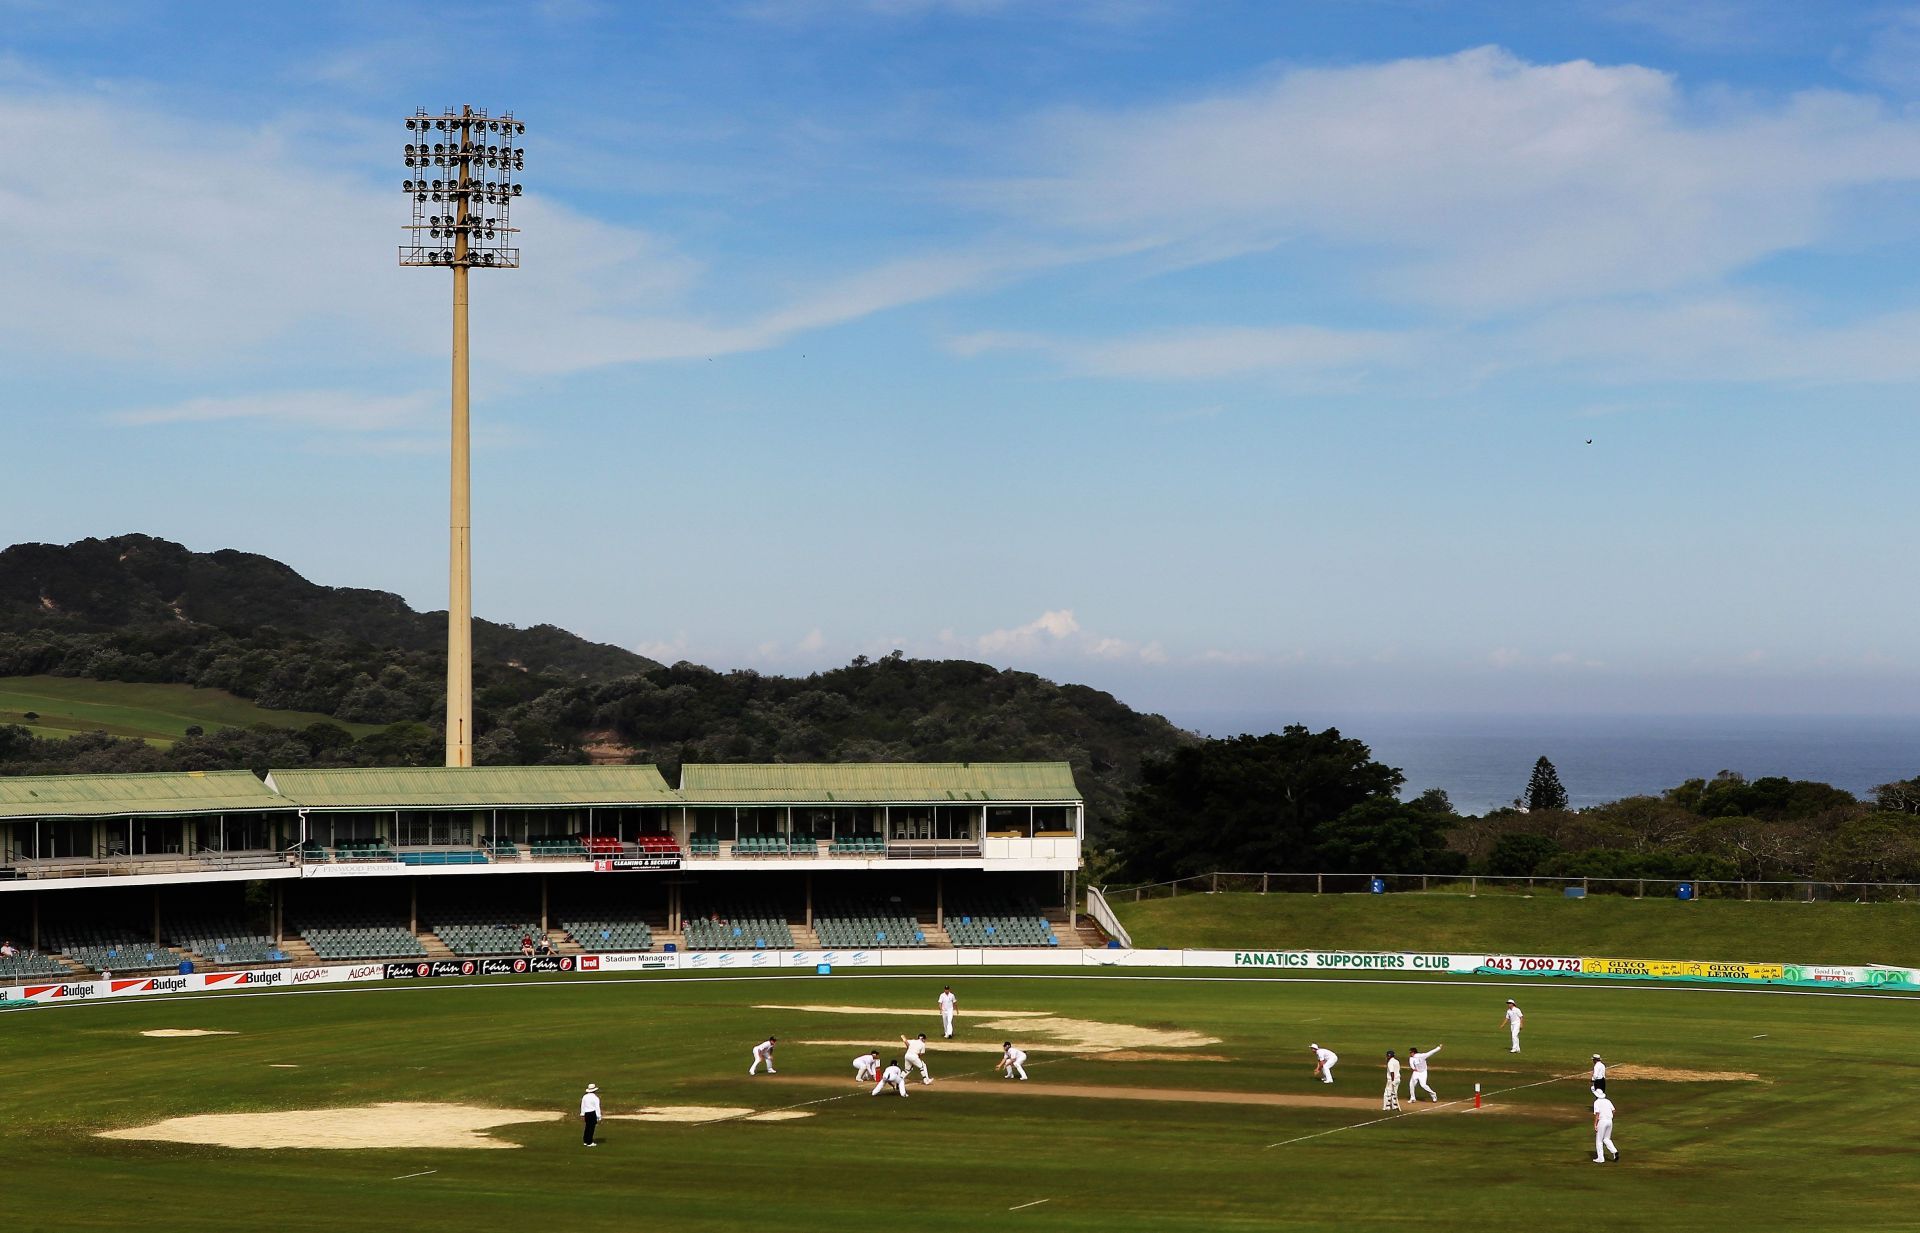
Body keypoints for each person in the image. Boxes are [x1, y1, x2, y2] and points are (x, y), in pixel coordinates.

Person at [1592, 1092, 1619, 1163]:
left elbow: (1597, 1113)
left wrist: (1595, 1124)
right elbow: (1614, 1110)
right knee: (1606, 1138)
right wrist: (1610, 1117)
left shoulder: (1596, 1102)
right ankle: (1614, 1151)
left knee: (1599, 1140)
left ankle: (1601, 1158)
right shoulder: (1608, 1101)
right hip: (1609, 1121)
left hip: (1602, 1121)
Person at [580, 1083, 602, 1147]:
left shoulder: (585, 1096)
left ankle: (586, 1141)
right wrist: (599, 1116)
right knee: (591, 1128)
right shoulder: (595, 1098)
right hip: (592, 1113)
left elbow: (582, 1105)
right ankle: (589, 1142)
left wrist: (582, 1113)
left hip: (586, 1113)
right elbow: (597, 1107)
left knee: (587, 1127)